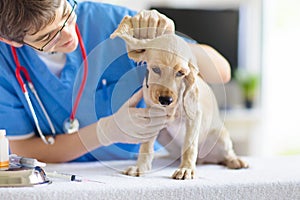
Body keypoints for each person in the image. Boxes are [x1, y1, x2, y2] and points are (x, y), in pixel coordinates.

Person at [0, 0, 231, 163]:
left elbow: (221, 72)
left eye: (66, 15)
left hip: (142, 170)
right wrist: (104, 132)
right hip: (59, 180)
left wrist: (170, 42)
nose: (69, 36)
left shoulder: (108, 22)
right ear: (9, 40)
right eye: (48, 37)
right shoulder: (5, 62)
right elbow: (22, 148)